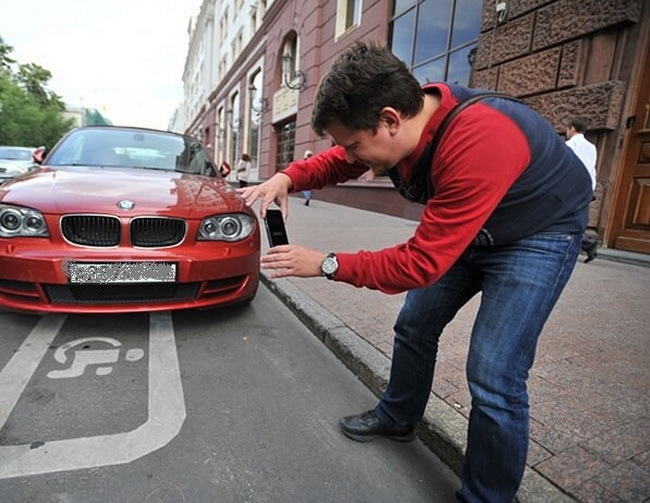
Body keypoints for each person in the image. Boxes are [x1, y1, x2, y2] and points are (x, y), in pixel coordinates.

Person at [238, 42, 592, 502]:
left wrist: (325, 263)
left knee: (494, 371)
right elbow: (336, 161)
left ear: (389, 119)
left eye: (354, 145)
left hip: (537, 234)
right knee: (415, 323)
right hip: (469, 225)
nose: (352, 156)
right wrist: (288, 177)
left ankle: (486, 497)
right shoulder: (401, 122)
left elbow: (421, 263)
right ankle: (398, 417)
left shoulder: (481, 138)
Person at [566, 118, 599, 263]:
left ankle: (587, 243)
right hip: (587, 187)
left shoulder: (570, 144)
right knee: (576, 218)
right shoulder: (592, 147)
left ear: (572, 128)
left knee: (565, 218)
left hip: (572, 186)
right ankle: (587, 244)